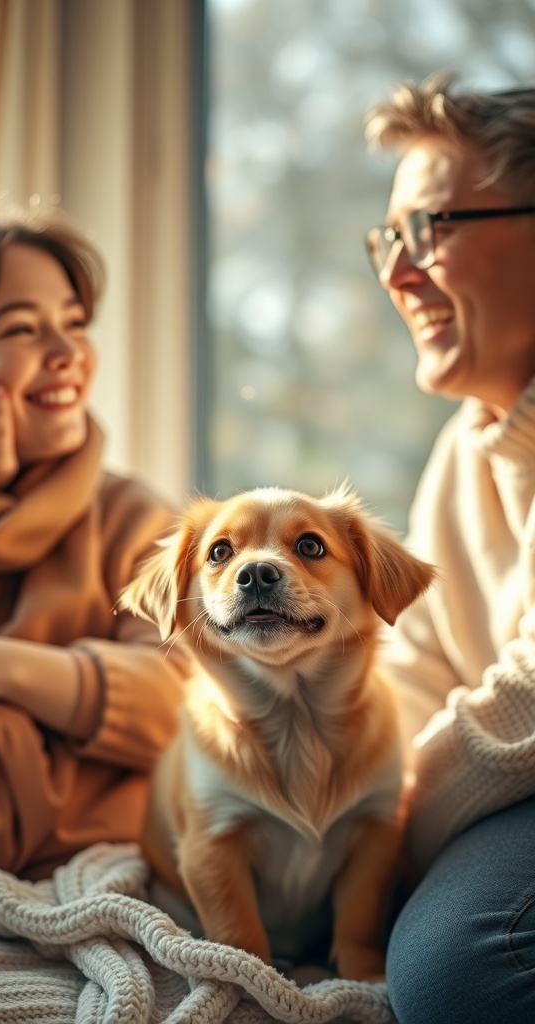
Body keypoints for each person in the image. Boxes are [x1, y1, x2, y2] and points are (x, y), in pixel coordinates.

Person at [363, 72, 535, 1024]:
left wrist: (382, 827)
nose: (397, 274)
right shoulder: (468, 441)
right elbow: (416, 664)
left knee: (458, 964)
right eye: (389, 240)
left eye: (429, 231)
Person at [0, 208, 188, 882]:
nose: (67, 354)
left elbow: (200, 708)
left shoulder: (136, 518)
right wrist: (91, 763)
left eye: (75, 323)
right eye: (24, 329)